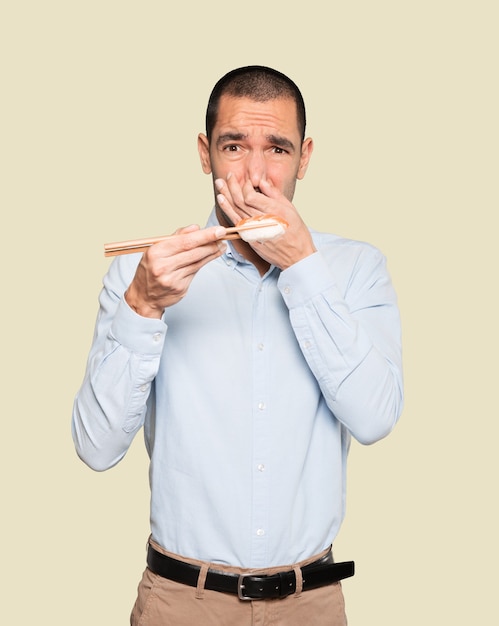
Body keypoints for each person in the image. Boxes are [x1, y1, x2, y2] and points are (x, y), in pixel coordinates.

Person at [72, 65, 404, 625]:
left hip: (311, 604)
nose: (255, 175)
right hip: (181, 601)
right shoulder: (143, 270)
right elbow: (95, 449)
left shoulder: (355, 268)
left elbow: (374, 418)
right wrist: (143, 307)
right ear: (205, 153)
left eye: (277, 148)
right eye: (233, 146)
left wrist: (303, 268)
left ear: (305, 157)